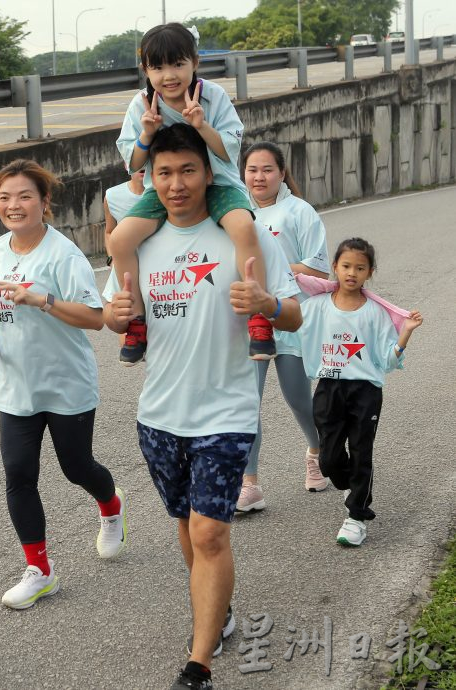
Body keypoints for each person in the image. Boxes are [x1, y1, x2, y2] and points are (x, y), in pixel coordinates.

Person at [103, 123, 301, 690]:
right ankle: (219, 612)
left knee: (211, 533)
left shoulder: (245, 233)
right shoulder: (139, 241)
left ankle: (199, 665)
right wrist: (117, 316)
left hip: (227, 412)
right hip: (159, 417)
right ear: (150, 178)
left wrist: (266, 302)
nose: (176, 183)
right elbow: (109, 312)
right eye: (164, 172)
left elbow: (296, 314)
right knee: (189, 531)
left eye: (187, 170)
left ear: (208, 172)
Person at [0, 158, 127, 611]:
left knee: (76, 468)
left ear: (44, 203)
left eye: (24, 196)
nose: (13, 205)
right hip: (15, 385)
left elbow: (95, 319)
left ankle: (111, 504)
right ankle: (40, 570)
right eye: (4, 197)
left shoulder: (63, 255)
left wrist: (41, 300)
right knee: (19, 475)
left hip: (65, 384)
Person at [111, 22, 275, 366]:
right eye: (158, 67)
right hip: (165, 191)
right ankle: (138, 322)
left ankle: (259, 317)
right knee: (121, 239)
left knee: (244, 229)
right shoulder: (140, 104)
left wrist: (202, 125)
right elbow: (134, 163)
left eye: (177, 64)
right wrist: (147, 132)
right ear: (146, 70)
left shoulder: (212, 95)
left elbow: (229, 150)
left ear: (195, 62)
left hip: (218, 184)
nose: (169, 75)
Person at [292, 237, 423, 546]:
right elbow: (290, 324)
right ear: (335, 267)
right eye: (346, 266)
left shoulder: (375, 313)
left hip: (365, 392)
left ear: (370, 273)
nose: (352, 273)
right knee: (328, 461)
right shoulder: (316, 306)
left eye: (360, 268)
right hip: (328, 389)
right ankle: (354, 485)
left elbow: (387, 360)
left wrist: (405, 334)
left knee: (362, 452)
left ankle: (357, 515)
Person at [236, 141, 331, 512]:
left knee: (298, 399)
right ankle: (250, 484)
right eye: (252, 170)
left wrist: (275, 269)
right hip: (247, 321)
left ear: (281, 173)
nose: (259, 177)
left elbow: (320, 269)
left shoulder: (299, 211)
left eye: (267, 170)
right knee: (247, 404)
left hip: (291, 316)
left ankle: (317, 449)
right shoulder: (235, 212)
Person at [104, 168, 145, 264]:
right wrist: (112, 260)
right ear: (126, 164)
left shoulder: (165, 192)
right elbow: (109, 232)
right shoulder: (112, 196)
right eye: (136, 159)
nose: (142, 164)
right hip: (127, 267)